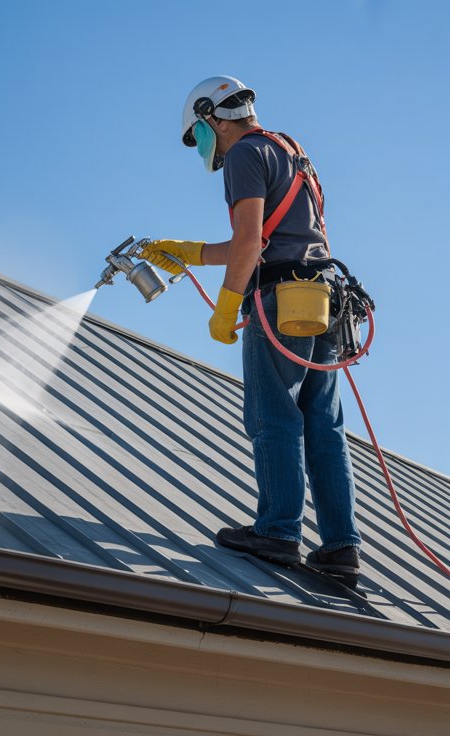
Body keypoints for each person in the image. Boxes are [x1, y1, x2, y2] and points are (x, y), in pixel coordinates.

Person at [139, 76, 362, 582]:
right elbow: (270, 236)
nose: (204, 147)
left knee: (273, 417)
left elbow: (249, 244)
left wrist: (226, 306)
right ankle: (341, 547)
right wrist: (189, 252)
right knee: (323, 427)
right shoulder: (290, 149)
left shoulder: (243, 154)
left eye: (199, 135)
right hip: (324, 303)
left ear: (212, 117)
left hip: (280, 303)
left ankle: (278, 532)